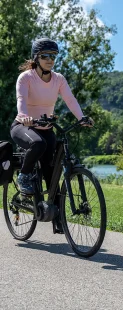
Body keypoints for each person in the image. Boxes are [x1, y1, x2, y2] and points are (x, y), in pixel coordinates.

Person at [10, 37, 93, 232]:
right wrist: (24, 116)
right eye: (45, 55)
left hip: (46, 128)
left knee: (52, 173)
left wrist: (82, 118)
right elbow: (21, 99)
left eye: (53, 56)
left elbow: (70, 100)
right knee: (38, 144)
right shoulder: (26, 78)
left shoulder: (59, 79)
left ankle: (58, 220)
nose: (50, 59)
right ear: (36, 58)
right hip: (23, 126)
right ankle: (24, 175)